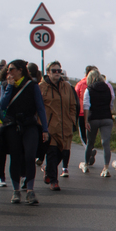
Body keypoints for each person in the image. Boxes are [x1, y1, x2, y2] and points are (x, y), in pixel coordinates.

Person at [0, 59, 49, 204]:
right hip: (13, 125)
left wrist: (45, 129)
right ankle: (16, 191)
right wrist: (9, 87)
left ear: (20, 70)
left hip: (29, 125)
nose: (8, 72)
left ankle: (30, 190)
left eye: (11, 69)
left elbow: (40, 108)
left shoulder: (32, 85)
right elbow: (2, 105)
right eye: (8, 69)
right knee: (15, 157)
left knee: (30, 156)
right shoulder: (5, 85)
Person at [39, 61, 78, 190]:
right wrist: (42, 125)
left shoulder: (67, 86)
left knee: (64, 153)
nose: (57, 73)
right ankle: (54, 181)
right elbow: (38, 108)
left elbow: (73, 105)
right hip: (51, 127)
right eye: (54, 71)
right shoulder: (42, 87)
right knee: (52, 153)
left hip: (65, 126)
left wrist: (72, 120)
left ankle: (48, 169)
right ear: (48, 72)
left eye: (59, 71)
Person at [82, 69, 116, 177]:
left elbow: (86, 105)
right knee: (106, 143)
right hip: (106, 118)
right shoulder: (108, 87)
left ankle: (86, 164)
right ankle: (106, 168)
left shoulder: (89, 89)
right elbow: (111, 101)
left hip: (94, 118)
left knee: (90, 142)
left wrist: (86, 120)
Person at [75, 65, 96, 160]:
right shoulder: (98, 84)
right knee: (91, 133)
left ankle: (89, 149)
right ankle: (91, 148)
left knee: (83, 134)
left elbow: (75, 97)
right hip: (93, 112)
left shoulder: (80, 84)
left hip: (82, 112)